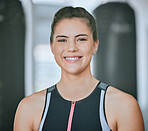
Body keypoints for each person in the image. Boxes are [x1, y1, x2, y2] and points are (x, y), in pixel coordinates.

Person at [14, 6, 144, 131]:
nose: (71, 48)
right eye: (62, 40)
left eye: (81, 39)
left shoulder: (124, 106)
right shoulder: (28, 108)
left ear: (95, 45)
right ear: (52, 47)